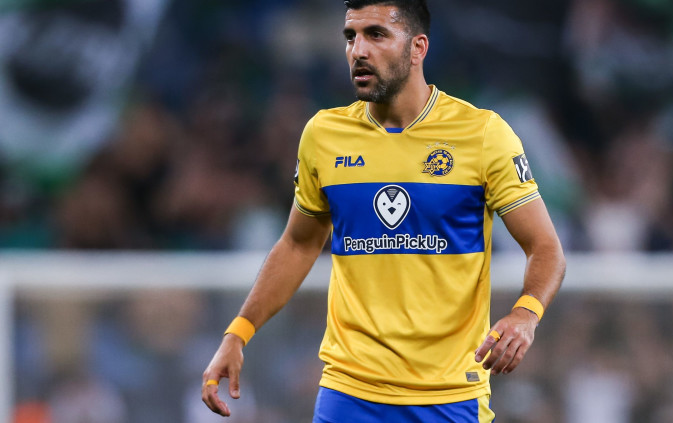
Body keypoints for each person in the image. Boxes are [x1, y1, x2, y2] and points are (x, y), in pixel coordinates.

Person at [201, 1, 566, 421]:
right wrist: (238, 333)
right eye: (350, 37)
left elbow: (546, 248)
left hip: (450, 396)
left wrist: (525, 314)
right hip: (348, 393)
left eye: (376, 35)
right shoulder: (324, 135)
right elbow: (298, 245)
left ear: (418, 48)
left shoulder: (482, 134)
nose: (358, 50)